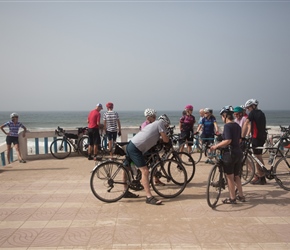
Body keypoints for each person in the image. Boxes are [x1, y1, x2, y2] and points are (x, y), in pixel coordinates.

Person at [125, 114, 171, 205]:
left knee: (125, 166)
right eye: (166, 126)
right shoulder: (160, 123)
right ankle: (149, 197)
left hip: (132, 145)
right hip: (136, 148)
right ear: (165, 122)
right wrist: (168, 139)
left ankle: (124, 191)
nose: (165, 128)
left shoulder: (154, 125)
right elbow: (165, 139)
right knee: (145, 171)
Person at [210, 106, 245, 204]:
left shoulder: (227, 126)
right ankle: (241, 196)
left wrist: (216, 146)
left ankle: (232, 198)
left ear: (225, 115)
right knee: (237, 176)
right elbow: (238, 139)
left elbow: (228, 140)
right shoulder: (237, 126)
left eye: (222, 116)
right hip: (238, 153)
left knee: (229, 177)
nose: (222, 118)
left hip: (229, 154)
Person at [242, 99, 267, 185]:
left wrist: (242, 136)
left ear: (253, 106)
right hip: (262, 137)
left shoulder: (252, 113)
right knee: (258, 156)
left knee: (257, 157)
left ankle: (261, 176)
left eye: (248, 107)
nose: (248, 109)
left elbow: (246, 123)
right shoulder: (262, 113)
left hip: (256, 138)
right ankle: (262, 176)